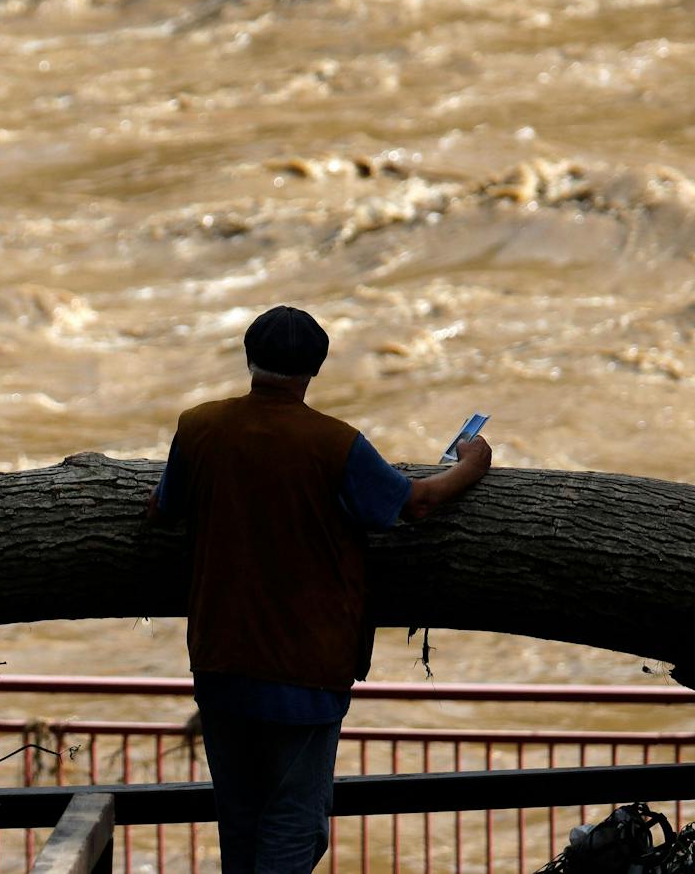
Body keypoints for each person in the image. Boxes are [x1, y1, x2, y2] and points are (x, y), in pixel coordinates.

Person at [152, 305, 493, 874]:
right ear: (316, 368)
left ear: (248, 358)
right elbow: (417, 503)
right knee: (295, 827)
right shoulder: (336, 444)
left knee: (240, 823)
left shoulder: (198, 427)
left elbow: (165, 506)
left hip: (220, 660)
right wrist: (472, 465)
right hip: (304, 669)